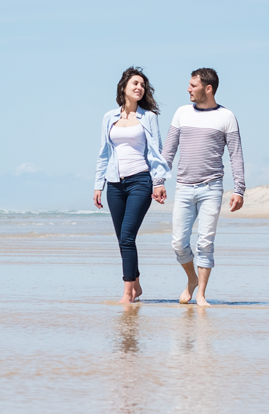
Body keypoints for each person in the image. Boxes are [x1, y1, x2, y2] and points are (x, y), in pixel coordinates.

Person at [163, 67, 245, 306]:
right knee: (179, 243)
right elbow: (168, 151)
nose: (188, 89)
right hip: (184, 188)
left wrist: (239, 188)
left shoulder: (226, 117)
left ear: (208, 88)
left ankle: (201, 295)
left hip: (212, 188)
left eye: (193, 85)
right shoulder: (181, 113)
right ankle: (192, 278)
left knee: (205, 243)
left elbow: (236, 155)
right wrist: (158, 181)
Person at [94, 67, 169, 304]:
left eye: (142, 85)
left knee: (127, 236)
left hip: (140, 180)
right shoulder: (109, 117)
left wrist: (158, 182)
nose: (139, 88)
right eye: (135, 83)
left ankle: (127, 293)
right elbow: (104, 153)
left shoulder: (149, 117)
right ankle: (136, 284)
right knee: (122, 238)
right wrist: (99, 184)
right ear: (123, 87)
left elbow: (156, 152)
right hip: (114, 183)